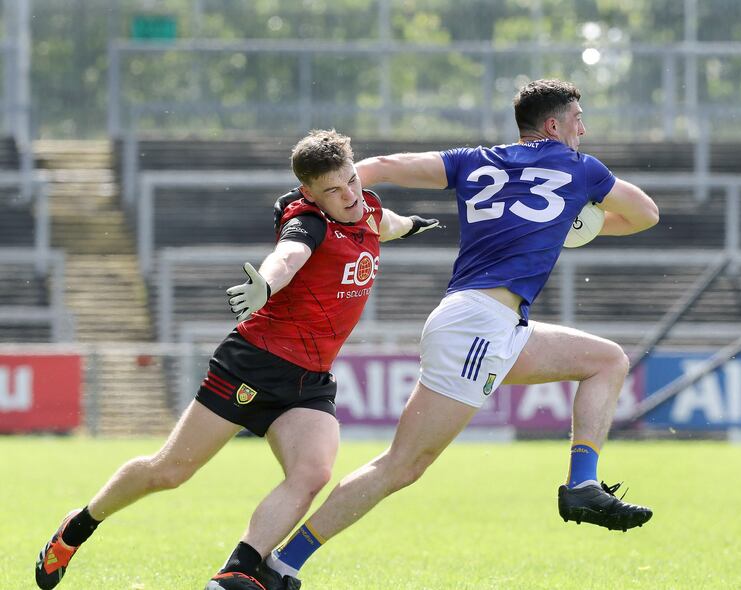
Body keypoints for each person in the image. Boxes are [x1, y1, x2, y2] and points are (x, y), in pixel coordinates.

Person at [262, 79, 660, 586]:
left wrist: (322, 196)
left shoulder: (474, 160)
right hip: (478, 329)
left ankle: (582, 484)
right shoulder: (580, 169)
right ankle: (281, 565)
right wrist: (582, 226)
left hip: (489, 324)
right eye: (578, 118)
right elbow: (646, 213)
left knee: (607, 360)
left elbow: (381, 168)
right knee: (401, 467)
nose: (584, 128)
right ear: (554, 125)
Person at [33, 129, 440, 590]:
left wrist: (412, 223)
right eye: (333, 190)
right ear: (309, 192)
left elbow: (385, 222)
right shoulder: (308, 222)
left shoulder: (365, 206)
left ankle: (238, 570)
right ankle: (79, 526)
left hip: (309, 379)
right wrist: (267, 284)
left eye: (350, 180)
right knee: (170, 471)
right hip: (254, 365)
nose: (348, 195)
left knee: (312, 473)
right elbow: (287, 257)